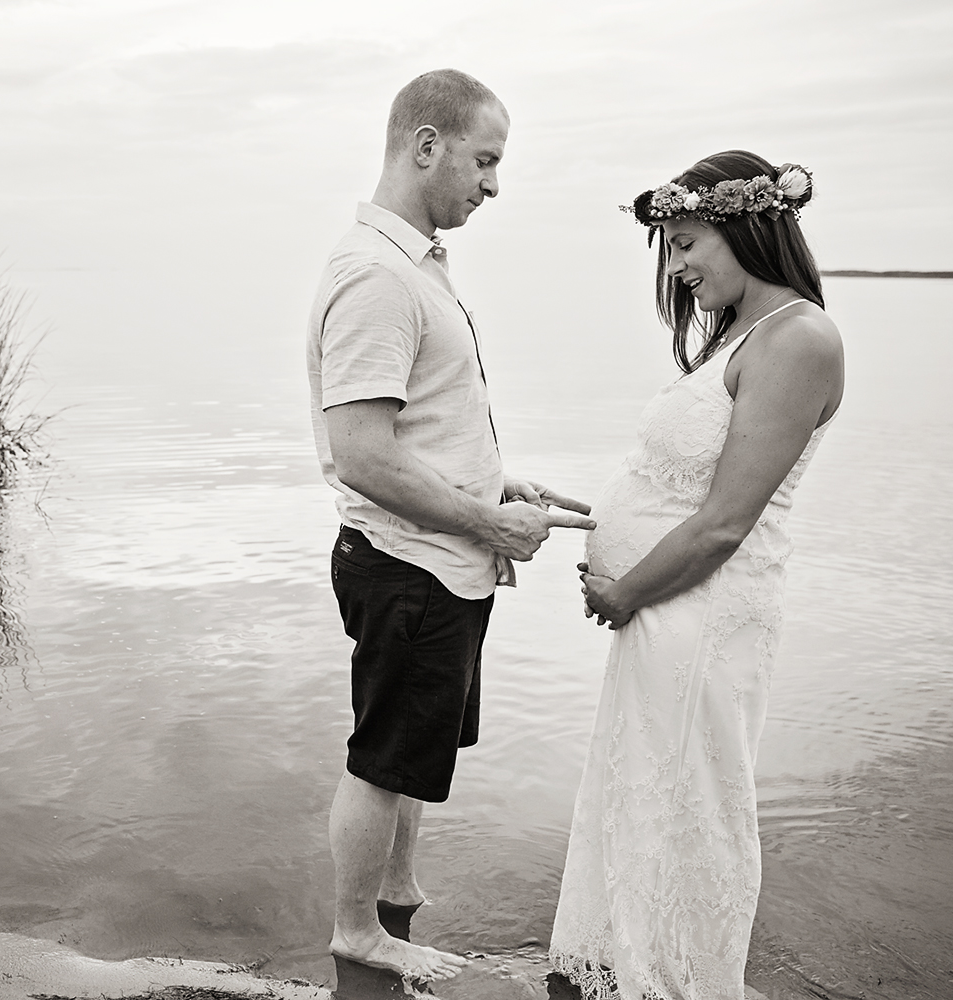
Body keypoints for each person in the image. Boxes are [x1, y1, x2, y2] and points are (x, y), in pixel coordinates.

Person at [306, 69, 596, 983]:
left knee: (415, 748)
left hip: (435, 558)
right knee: (382, 757)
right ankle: (358, 930)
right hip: (407, 563)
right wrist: (488, 522)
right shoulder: (376, 276)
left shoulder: (414, 266)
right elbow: (359, 451)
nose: (493, 184)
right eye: (484, 159)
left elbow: (415, 424)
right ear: (425, 145)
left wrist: (493, 480)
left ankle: (396, 885)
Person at [548, 150, 844, 1000]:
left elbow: (722, 522)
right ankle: (628, 964)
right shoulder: (745, 335)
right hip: (670, 614)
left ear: (748, 226)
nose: (676, 269)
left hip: (701, 612)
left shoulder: (800, 339)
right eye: (668, 249)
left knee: (695, 802)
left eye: (684, 244)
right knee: (644, 791)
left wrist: (622, 589)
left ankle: (685, 980)